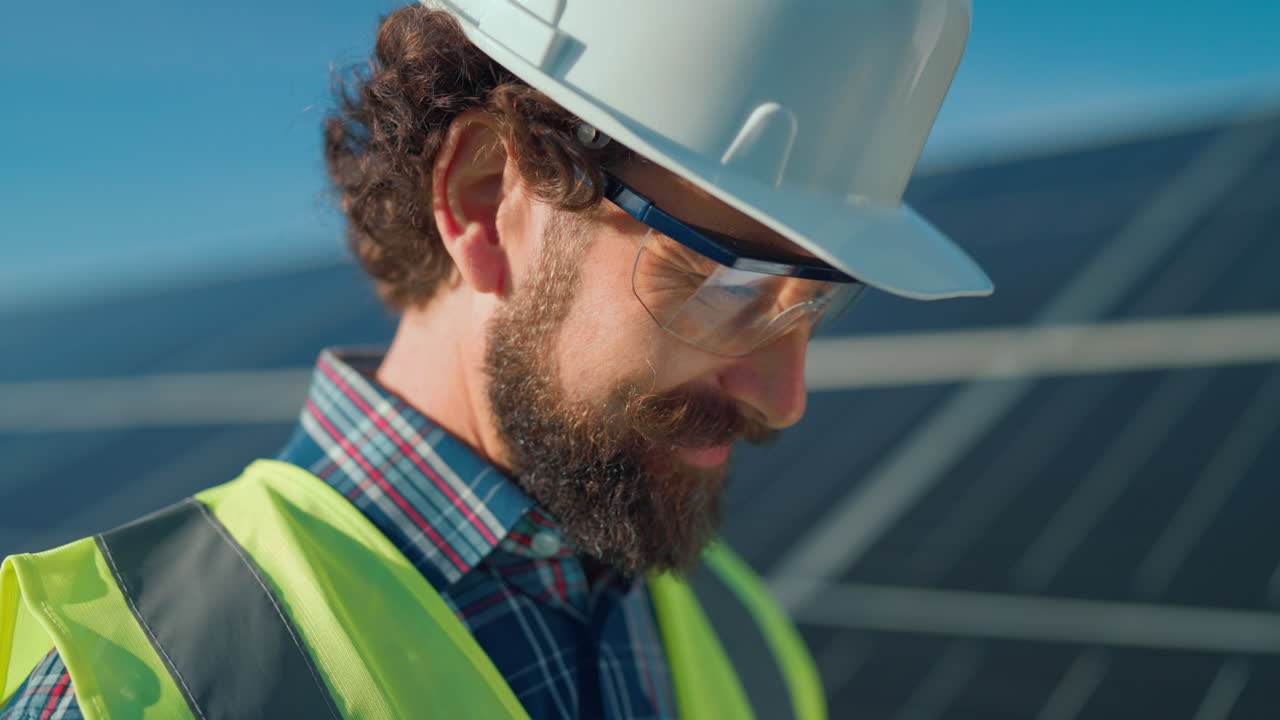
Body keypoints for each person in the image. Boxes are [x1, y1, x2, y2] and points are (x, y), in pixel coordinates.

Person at [0, 1, 991, 718]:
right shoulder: (139, 688)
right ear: (482, 198)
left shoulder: (741, 637)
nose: (785, 399)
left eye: (814, 303)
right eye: (728, 287)